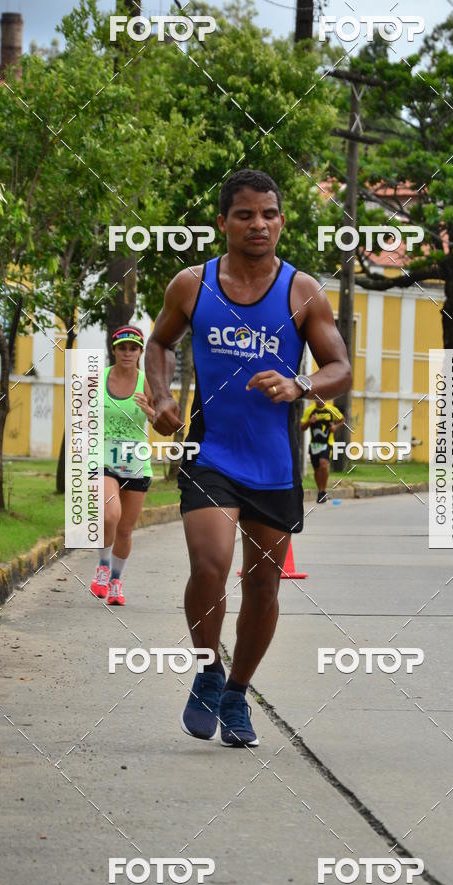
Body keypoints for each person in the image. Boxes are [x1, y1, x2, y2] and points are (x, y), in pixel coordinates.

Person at [145, 168, 352, 747]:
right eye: (245, 214)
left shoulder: (302, 291)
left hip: (274, 462)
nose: (258, 224)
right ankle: (208, 670)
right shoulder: (192, 284)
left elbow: (340, 368)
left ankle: (236, 693)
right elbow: (159, 342)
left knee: (264, 588)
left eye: (268, 213)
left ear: (282, 222)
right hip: (212, 452)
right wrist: (161, 396)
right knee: (209, 565)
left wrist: (301, 385)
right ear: (223, 223)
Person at [89, 325, 154, 606]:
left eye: (133, 348)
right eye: (122, 347)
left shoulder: (147, 382)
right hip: (103, 457)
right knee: (109, 515)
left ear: (140, 352)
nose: (128, 352)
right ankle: (102, 567)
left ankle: (116, 580)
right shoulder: (97, 380)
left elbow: (162, 421)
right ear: (113, 350)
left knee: (126, 530)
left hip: (136, 461)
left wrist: (150, 411)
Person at [300, 397, 344, 503]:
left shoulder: (331, 410)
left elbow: (343, 420)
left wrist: (335, 427)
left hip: (327, 443)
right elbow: (302, 427)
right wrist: (310, 421)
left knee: (323, 464)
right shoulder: (309, 410)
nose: (320, 401)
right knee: (316, 470)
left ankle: (323, 491)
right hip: (314, 444)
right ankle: (320, 491)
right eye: (317, 398)